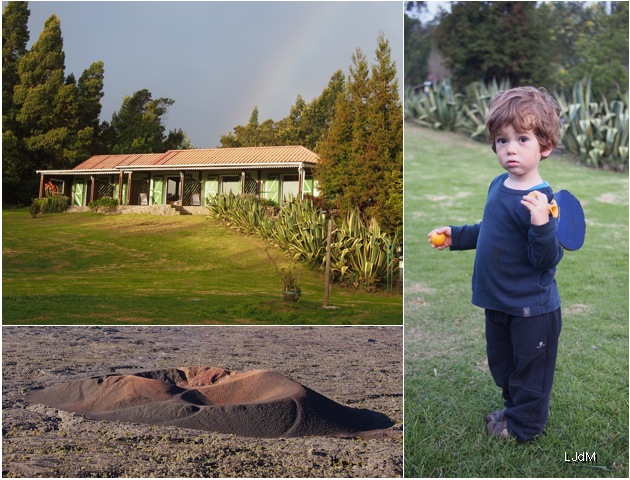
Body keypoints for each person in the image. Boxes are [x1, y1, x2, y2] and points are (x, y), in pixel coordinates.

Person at [427, 86, 564, 442]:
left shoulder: (543, 200)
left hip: (532, 310)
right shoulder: (498, 185)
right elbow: (491, 229)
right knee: (503, 366)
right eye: (502, 141)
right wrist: (457, 236)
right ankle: (512, 409)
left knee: (530, 372)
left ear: (545, 147)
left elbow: (546, 259)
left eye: (522, 138)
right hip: (497, 301)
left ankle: (524, 427)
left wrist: (542, 225)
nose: (510, 149)